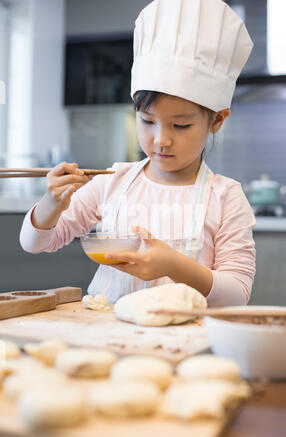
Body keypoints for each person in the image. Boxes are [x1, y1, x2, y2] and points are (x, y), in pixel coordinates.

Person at [20, 0, 256, 306]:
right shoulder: (112, 181)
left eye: (180, 125)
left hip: (186, 342)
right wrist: (51, 202)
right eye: (147, 121)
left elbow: (237, 295)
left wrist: (174, 264)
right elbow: (36, 243)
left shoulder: (226, 197)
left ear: (217, 120)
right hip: (107, 335)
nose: (161, 140)